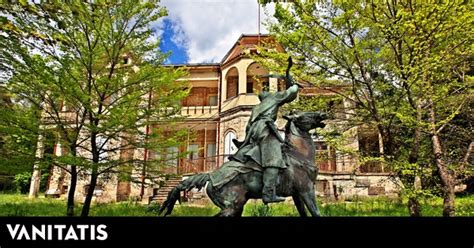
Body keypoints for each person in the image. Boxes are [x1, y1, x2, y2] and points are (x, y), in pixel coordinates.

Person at [229, 57, 299, 204]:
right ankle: (268, 194)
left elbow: (248, 127)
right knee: (273, 158)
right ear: (268, 95)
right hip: (265, 129)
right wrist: (292, 83)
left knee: (254, 152)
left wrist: (247, 140)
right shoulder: (274, 98)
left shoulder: (256, 108)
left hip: (255, 130)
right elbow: (291, 92)